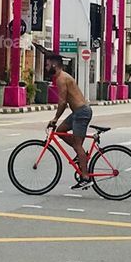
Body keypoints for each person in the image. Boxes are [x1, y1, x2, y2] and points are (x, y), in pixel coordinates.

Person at [46, 54, 93, 188]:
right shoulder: (62, 77)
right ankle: (81, 156)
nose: (46, 67)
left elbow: (62, 102)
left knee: (78, 145)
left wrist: (55, 119)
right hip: (78, 112)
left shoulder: (61, 79)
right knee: (60, 131)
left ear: (54, 65)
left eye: (48, 64)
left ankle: (85, 177)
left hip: (81, 113)